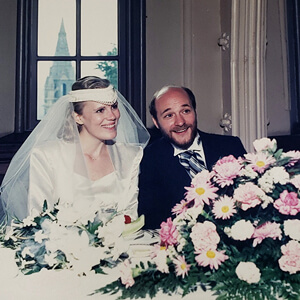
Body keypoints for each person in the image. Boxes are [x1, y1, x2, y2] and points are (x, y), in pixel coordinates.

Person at [0, 76, 150, 225]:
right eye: (100, 110)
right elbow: (39, 219)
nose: (112, 116)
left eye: (114, 106)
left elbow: (130, 219)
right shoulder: (47, 156)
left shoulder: (130, 156)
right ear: (78, 117)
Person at [138, 85, 246, 229]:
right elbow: (151, 220)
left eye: (185, 111)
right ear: (156, 122)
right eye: (169, 115)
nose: (180, 122)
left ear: (195, 111)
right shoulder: (149, 159)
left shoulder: (230, 146)